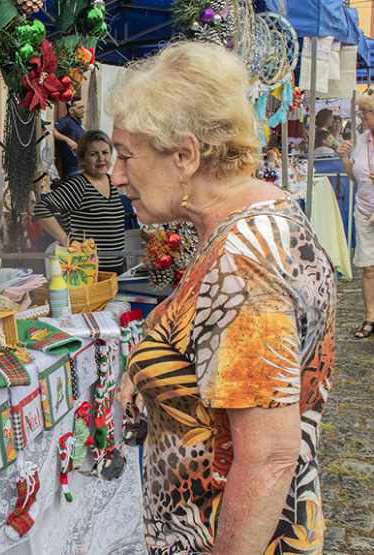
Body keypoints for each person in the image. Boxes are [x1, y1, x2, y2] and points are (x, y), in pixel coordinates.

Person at [109, 42, 336, 554]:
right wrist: (145, 366)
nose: (118, 175)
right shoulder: (259, 217)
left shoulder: (244, 263)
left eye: (126, 156)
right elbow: (206, 333)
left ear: (186, 155)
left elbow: (267, 460)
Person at [33, 129, 126, 274]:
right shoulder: (79, 185)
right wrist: (66, 241)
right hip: (86, 270)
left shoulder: (111, 182)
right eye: (93, 154)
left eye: (105, 152)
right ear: (82, 159)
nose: (101, 158)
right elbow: (41, 208)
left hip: (115, 270)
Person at [337, 90, 374, 338]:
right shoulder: (361, 140)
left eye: (364, 113)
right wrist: (342, 157)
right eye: (359, 113)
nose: (360, 118)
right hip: (365, 210)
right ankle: (370, 317)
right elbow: (353, 177)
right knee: (368, 268)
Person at [53, 95, 86, 179]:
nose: (83, 110)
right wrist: (68, 140)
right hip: (74, 167)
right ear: (71, 110)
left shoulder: (78, 123)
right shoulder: (66, 121)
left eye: (83, 107)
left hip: (83, 167)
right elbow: (53, 131)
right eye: (79, 108)